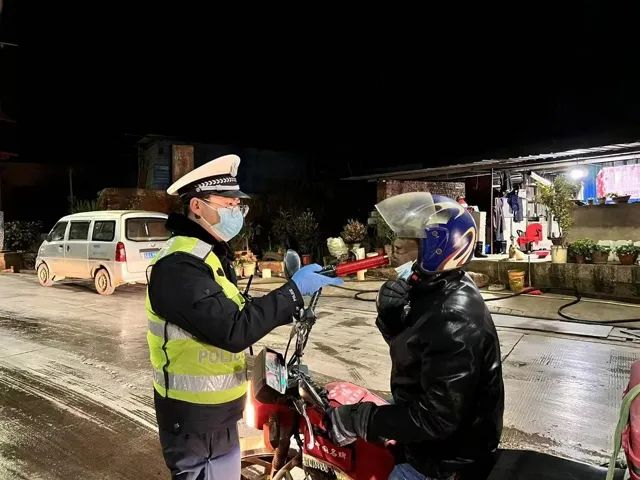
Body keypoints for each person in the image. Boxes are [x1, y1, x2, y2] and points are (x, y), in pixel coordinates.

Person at [146, 154, 341, 479]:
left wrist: (291, 307)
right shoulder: (179, 266)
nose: (236, 212)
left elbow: (235, 310)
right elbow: (232, 329)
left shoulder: (207, 257)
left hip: (216, 414)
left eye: (239, 206)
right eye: (228, 204)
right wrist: (292, 292)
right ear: (197, 206)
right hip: (194, 419)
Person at [328, 192, 504, 480]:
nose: (396, 248)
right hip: (432, 440)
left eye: (411, 240)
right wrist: (391, 317)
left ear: (437, 248)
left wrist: (361, 419)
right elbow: (416, 352)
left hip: (446, 461)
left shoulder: (453, 315)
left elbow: (437, 417)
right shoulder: (436, 287)